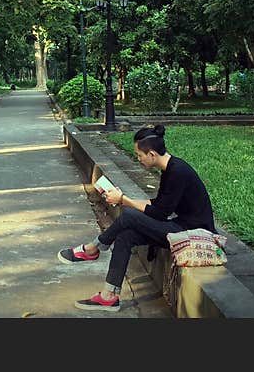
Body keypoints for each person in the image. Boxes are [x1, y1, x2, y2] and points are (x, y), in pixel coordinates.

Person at [57, 124, 216, 312]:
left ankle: (93, 248)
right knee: (126, 236)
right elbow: (159, 205)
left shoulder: (178, 172)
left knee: (130, 215)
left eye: (140, 155)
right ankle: (109, 296)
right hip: (181, 226)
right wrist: (123, 199)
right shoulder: (170, 169)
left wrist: (124, 200)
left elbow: (158, 213)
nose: (138, 159)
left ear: (152, 155)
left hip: (194, 233)